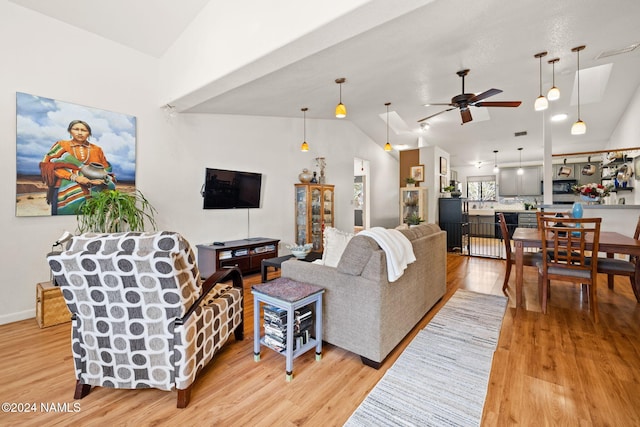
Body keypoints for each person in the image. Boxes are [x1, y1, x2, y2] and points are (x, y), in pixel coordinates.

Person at [39, 120, 116, 215]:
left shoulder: (97, 149)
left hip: (93, 190)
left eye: (84, 130)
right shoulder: (61, 145)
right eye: (76, 129)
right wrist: (75, 177)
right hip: (62, 189)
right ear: (70, 131)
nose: (80, 132)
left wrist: (102, 181)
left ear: (89, 133)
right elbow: (50, 165)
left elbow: (105, 170)